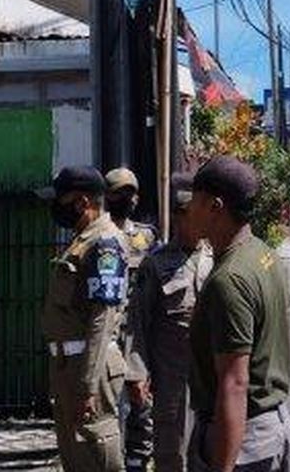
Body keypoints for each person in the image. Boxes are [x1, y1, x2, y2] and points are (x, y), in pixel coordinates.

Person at [182, 156, 290, 472]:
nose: (189, 209)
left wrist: (222, 466)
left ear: (215, 206)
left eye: (195, 200)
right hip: (271, 427)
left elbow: (234, 383)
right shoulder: (263, 254)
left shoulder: (229, 280)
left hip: (241, 442)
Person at [40, 166, 129, 472]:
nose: (56, 209)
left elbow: (102, 319)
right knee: (75, 457)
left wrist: (87, 385)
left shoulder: (104, 244)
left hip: (90, 367)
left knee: (95, 450)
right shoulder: (82, 241)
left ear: (81, 203)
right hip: (69, 366)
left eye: (61, 201)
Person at [129, 173, 213, 472]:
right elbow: (137, 322)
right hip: (173, 385)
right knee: (172, 457)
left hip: (214, 382)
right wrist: (137, 374)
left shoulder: (219, 258)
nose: (202, 222)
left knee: (214, 455)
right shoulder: (155, 265)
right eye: (194, 215)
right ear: (179, 217)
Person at [104, 167, 159, 472]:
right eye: (119, 194)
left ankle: (138, 463)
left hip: (138, 336)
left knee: (142, 408)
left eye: (130, 194)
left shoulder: (145, 237)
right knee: (110, 413)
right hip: (108, 337)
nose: (126, 199)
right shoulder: (96, 235)